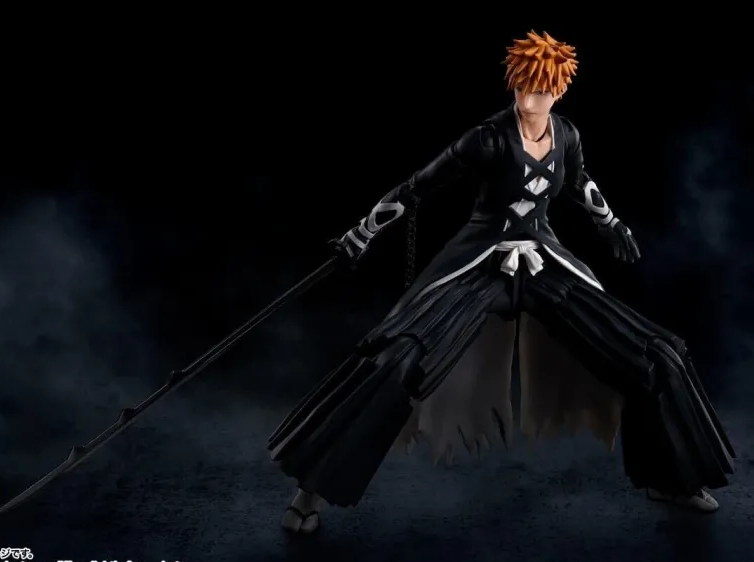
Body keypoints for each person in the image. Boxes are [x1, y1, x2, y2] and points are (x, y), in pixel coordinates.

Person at [267, 31, 736, 534]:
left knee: (656, 353)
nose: (530, 94)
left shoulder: (567, 135)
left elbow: (579, 181)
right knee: (395, 358)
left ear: (559, 91)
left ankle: (671, 479)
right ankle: (309, 491)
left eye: (541, 86)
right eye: (523, 83)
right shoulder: (487, 139)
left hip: (544, 264)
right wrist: (361, 234)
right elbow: (417, 187)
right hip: (480, 265)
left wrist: (611, 223)